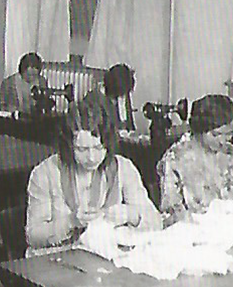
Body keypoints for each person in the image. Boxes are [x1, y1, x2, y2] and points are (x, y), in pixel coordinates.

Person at [24, 101, 161, 257]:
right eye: (82, 149)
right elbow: (33, 236)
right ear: (68, 146)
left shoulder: (123, 168)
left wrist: (132, 215)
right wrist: (70, 222)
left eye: (98, 148)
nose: (91, 157)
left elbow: (156, 221)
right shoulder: (45, 173)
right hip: (58, 263)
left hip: (103, 259)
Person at [156, 95, 233, 226]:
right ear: (199, 129)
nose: (224, 141)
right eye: (216, 135)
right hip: (193, 236)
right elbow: (170, 214)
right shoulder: (176, 160)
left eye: (229, 134)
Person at [80, 64, 137, 134]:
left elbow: (127, 126)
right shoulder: (94, 101)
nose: (123, 97)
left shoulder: (115, 99)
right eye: (122, 94)